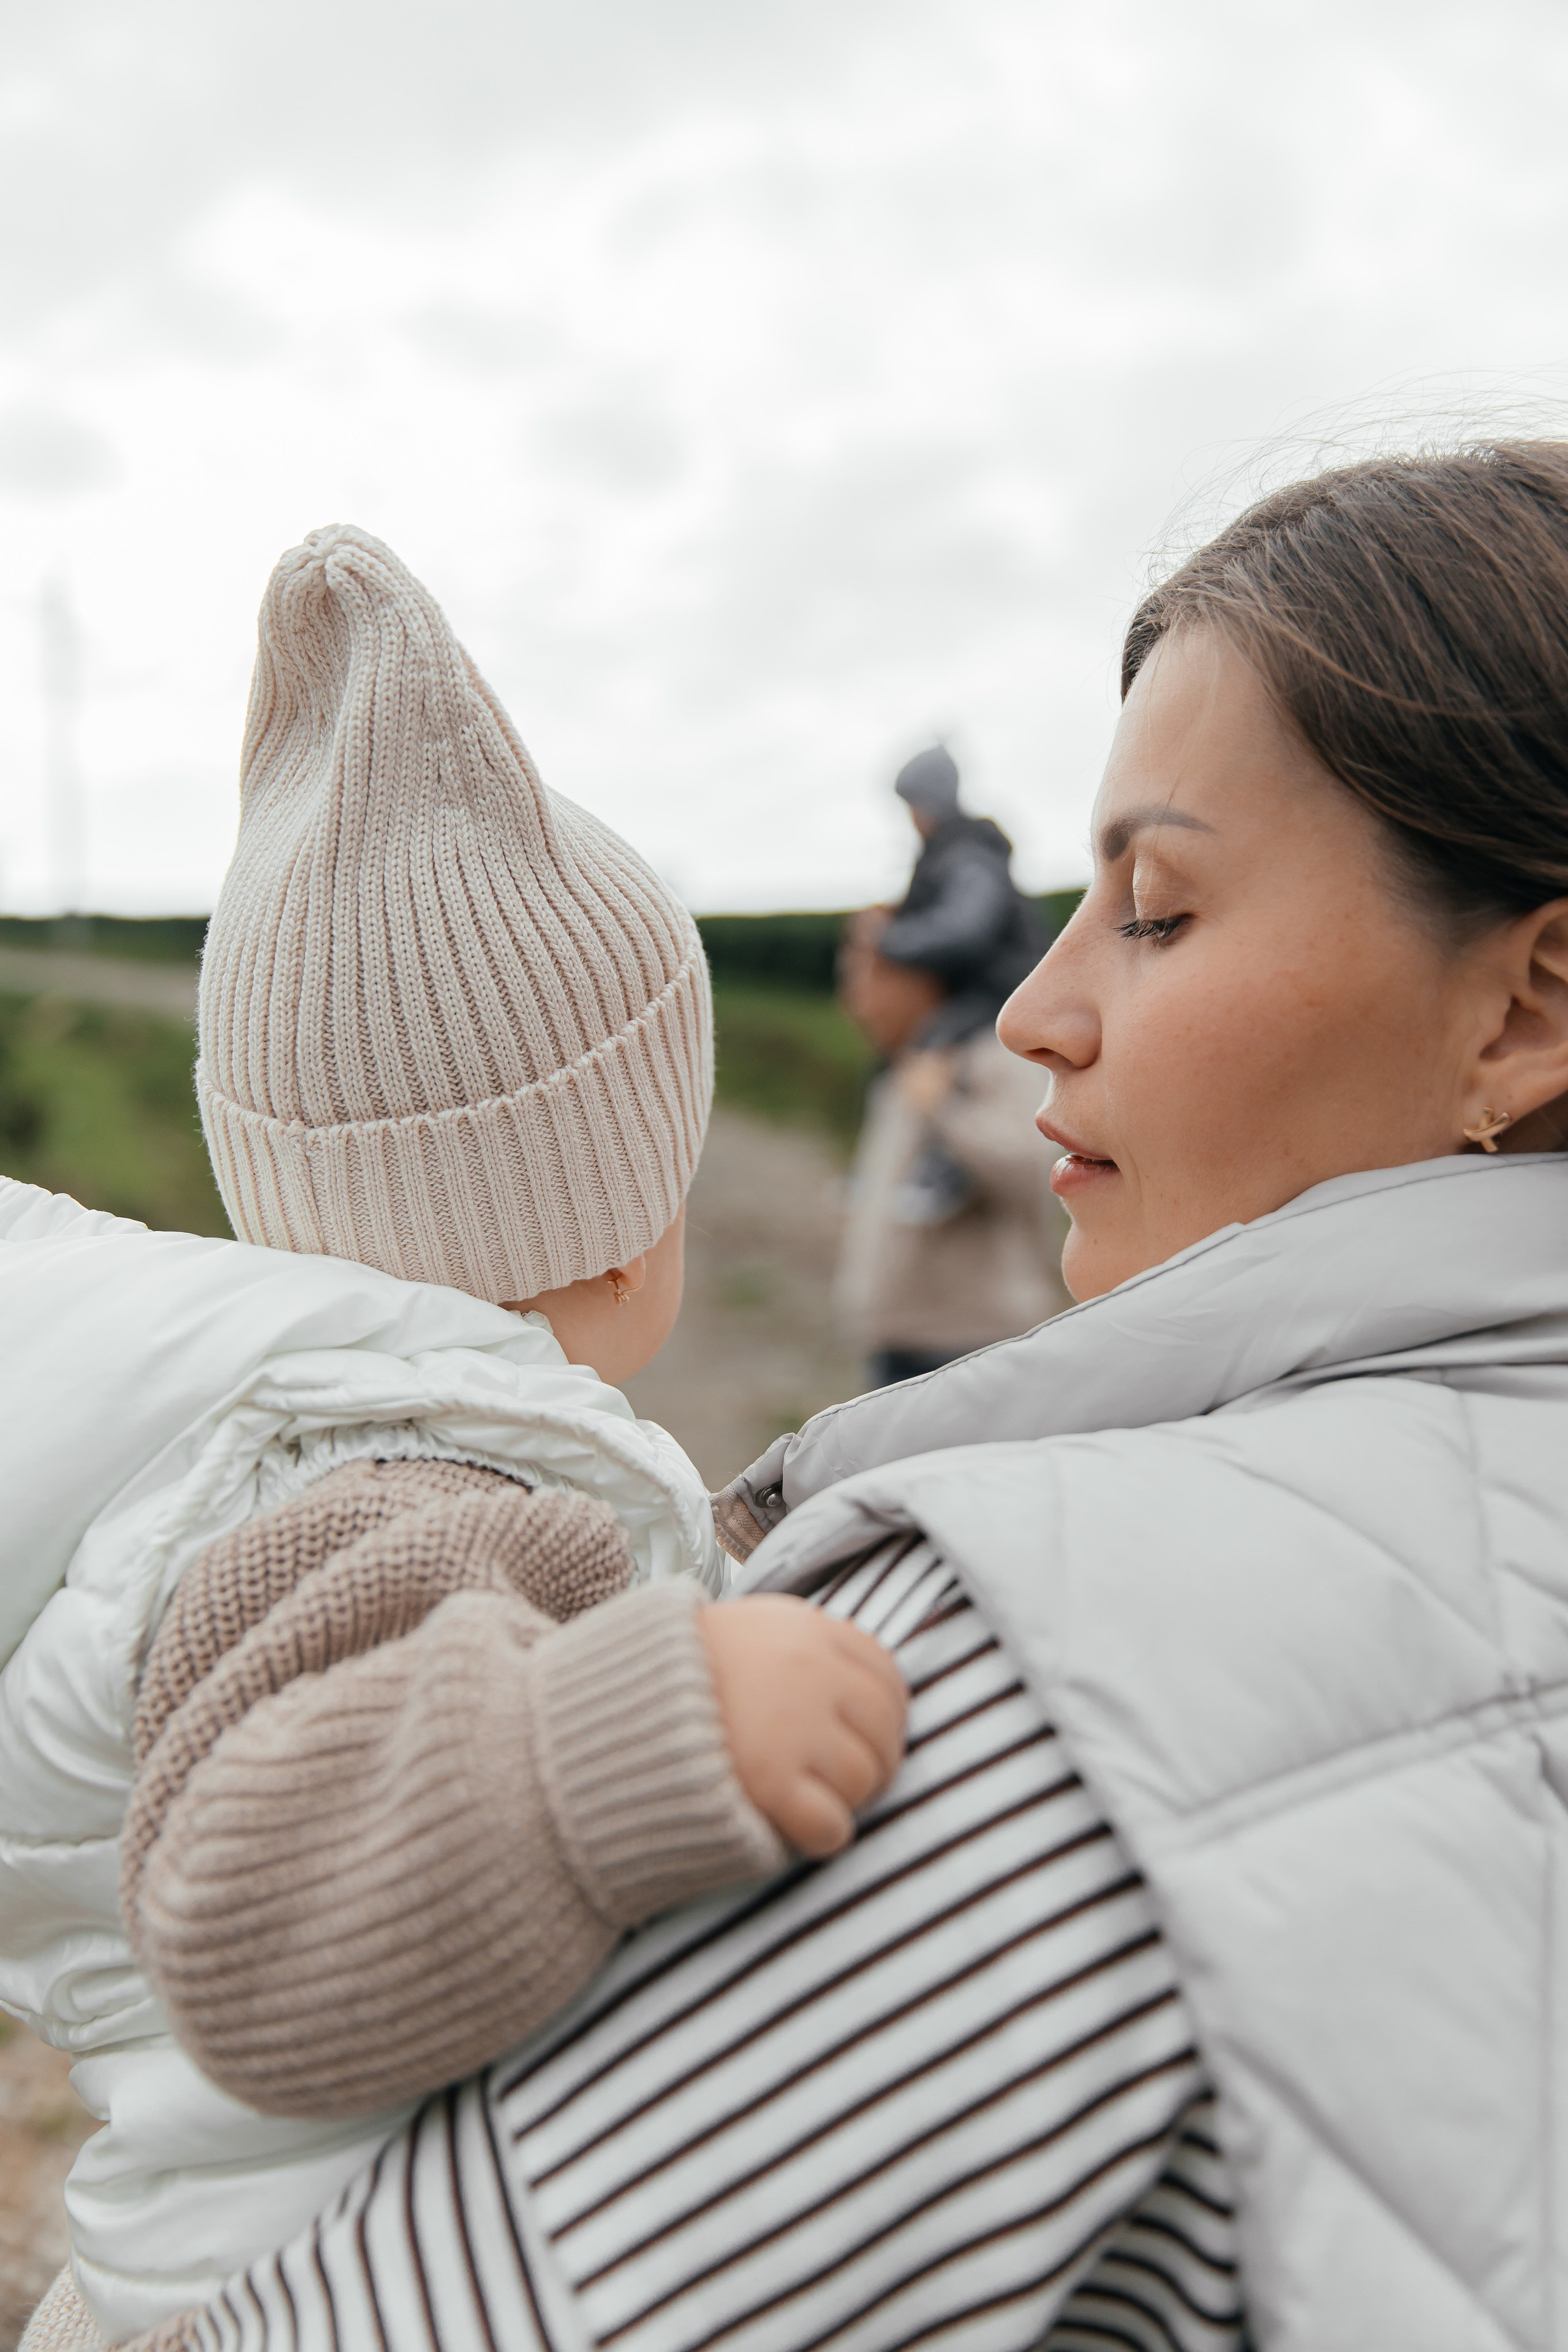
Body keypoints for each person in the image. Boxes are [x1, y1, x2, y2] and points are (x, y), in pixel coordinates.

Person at [33, 438, 1568, 2351]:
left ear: (1523, 1009)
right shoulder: (388, 1491)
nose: (1033, 1011)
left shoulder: (1030, 1680)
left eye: (1159, 908)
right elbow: (268, 1889)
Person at [2, 527, 905, 2348]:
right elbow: (254, 1902)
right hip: (339, 2290)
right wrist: (635, 1724)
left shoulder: (311, 1460)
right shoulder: (415, 1484)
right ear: (626, 1214)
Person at [835, 749, 1066, 1385]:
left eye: (867, 974)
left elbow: (1028, 1166)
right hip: (905, 1339)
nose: (853, 997)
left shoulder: (984, 1057)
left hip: (970, 1346)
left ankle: (942, 1177)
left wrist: (893, 940)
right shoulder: (912, 1064)